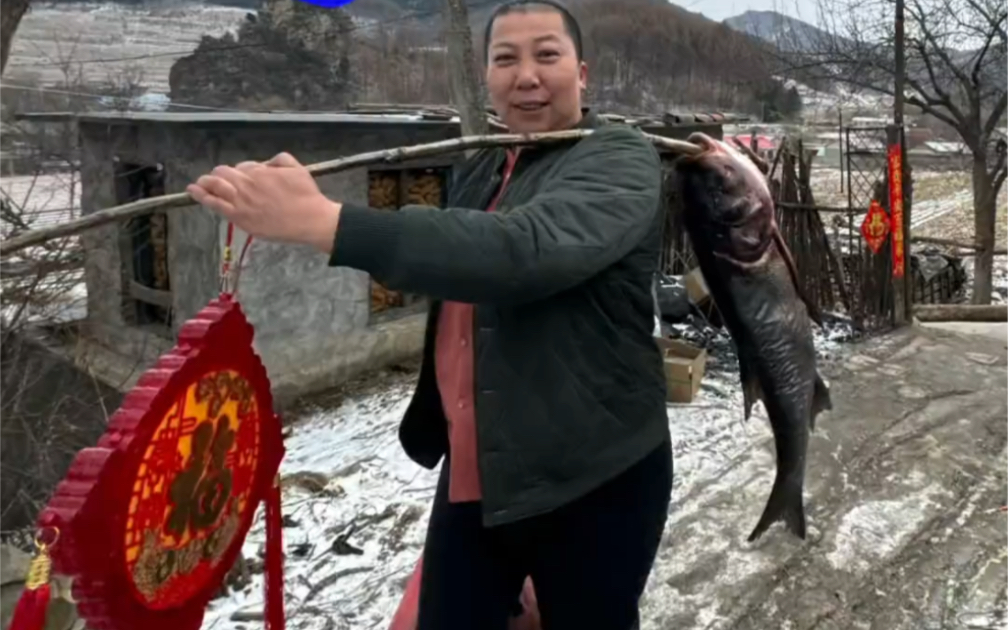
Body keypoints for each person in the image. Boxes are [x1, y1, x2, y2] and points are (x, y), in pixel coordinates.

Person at [186, 1, 673, 627]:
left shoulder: (618, 157)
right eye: (506, 59)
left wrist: (325, 222)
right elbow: (456, 275)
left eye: (546, 55)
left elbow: (522, 252)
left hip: (595, 473)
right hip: (479, 468)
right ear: (487, 78)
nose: (526, 75)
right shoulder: (482, 169)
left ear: (583, 73)